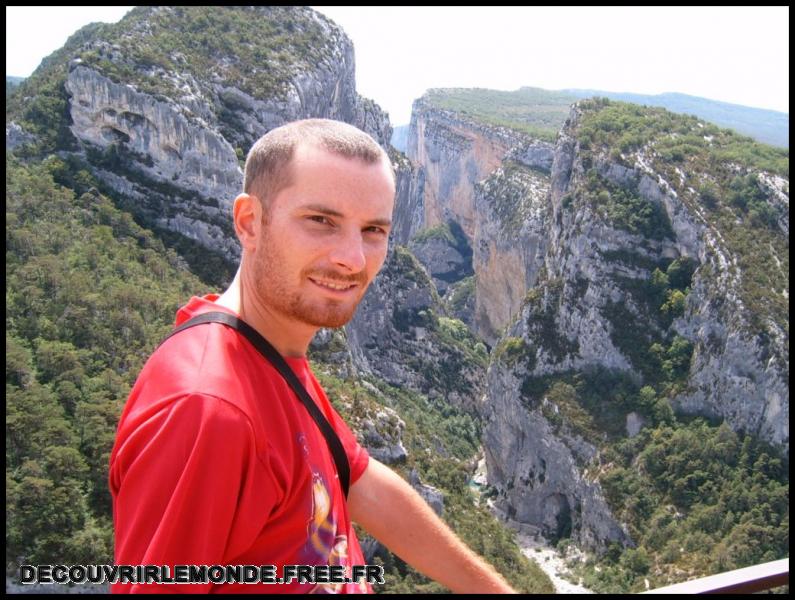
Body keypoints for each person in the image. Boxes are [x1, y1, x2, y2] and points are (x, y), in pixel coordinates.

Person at [109, 118, 516, 594]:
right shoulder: (207, 411)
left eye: (373, 230)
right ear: (249, 223)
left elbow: (355, 477)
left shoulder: (271, 350)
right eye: (321, 221)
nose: (353, 258)